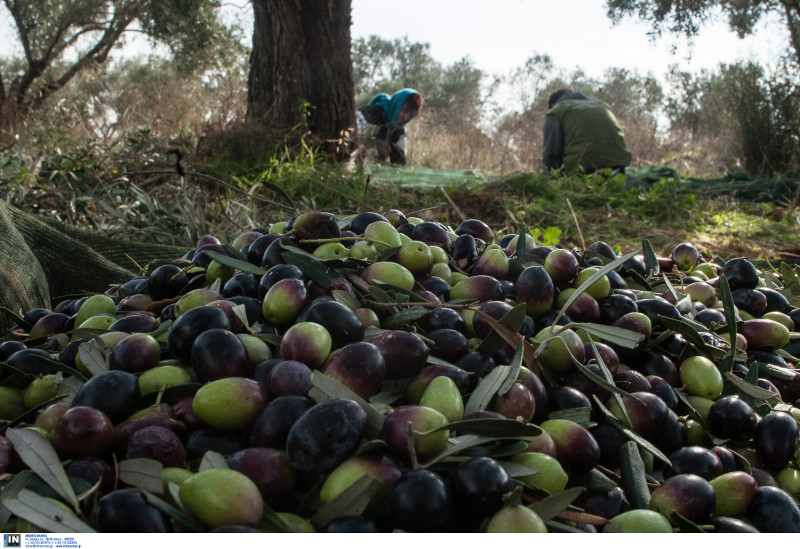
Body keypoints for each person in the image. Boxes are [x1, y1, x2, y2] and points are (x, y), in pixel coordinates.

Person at [541, 88, 632, 174]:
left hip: (584, 170)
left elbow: (551, 154)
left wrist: (550, 174)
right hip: (619, 168)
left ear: (553, 105)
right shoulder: (602, 105)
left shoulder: (556, 111)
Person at [355, 88, 423, 166]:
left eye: (410, 114)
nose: (405, 117)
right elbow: (353, 137)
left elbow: (399, 160)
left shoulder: (399, 130)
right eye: (404, 110)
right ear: (397, 105)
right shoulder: (373, 112)